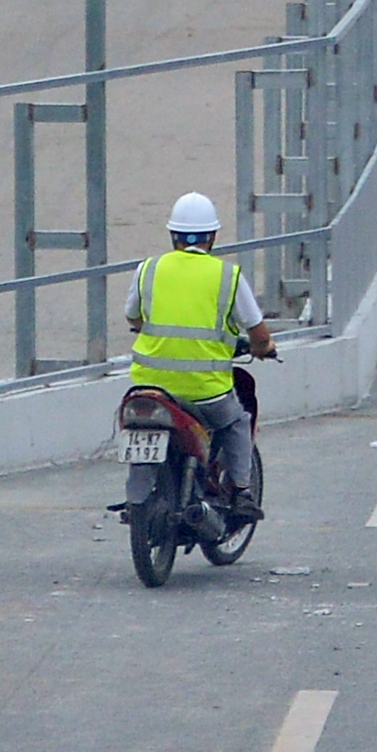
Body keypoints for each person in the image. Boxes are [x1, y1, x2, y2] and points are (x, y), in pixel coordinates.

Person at [125, 192, 277, 520]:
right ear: (213, 236)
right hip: (204, 392)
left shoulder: (148, 269)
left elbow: (133, 318)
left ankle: (138, 496)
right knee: (237, 422)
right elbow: (259, 335)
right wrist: (264, 349)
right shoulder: (227, 276)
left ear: (172, 235)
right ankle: (240, 493)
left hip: (147, 387)